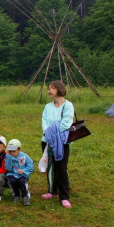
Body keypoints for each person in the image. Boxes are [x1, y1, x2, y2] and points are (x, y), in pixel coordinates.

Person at [41, 80, 74, 208]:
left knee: (61, 168)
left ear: (59, 89)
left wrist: (53, 133)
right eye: (48, 88)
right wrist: (48, 133)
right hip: (47, 141)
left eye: (51, 88)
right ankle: (52, 191)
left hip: (61, 142)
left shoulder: (68, 105)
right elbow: (44, 121)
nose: (49, 91)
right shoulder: (47, 107)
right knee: (50, 168)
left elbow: (66, 123)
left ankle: (64, 197)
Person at [5, 139, 34, 206]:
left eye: (14, 151)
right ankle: (16, 195)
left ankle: (25, 196)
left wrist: (23, 171)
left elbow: (30, 166)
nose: (12, 153)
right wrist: (9, 160)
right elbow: (7, 168)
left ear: (19, 149)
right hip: (12, 173)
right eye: (10, 151)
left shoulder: (24, 156)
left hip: (22, 174)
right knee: (12, 181)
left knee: (21, 181)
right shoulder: (8, 156)